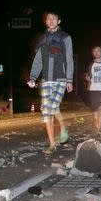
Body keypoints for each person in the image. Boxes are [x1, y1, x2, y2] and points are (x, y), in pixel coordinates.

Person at [27, 11, 74, 155]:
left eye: (54, 18)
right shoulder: (43, 40)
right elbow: (38, 61)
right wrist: (33, 77)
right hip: (46, 79)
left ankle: (63, 127)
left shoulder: (65, 38)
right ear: (46, 22)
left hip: (60, 79)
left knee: (52, 107)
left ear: (59, 21)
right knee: (46, 111)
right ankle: (52, 144)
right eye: (49, 19)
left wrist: (69, 79)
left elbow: (69, 58)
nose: (51, 20)